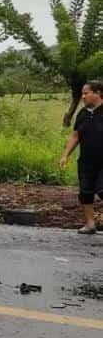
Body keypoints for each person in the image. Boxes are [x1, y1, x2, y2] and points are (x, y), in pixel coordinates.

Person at [60, 80, 103, 234]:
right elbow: (76, 136)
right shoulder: (82, 114)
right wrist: (65, 155)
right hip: (86, 161)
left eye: (86, 93)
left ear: (97, 93)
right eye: (82, 94)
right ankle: (90, 224)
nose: (83, 97)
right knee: (85, 192)